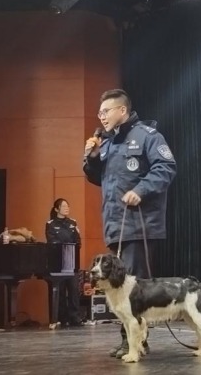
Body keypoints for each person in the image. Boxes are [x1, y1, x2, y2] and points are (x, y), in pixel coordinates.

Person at [83, 89, 177, 358]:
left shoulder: (148, 136)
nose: (101, 117)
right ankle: (133, 340)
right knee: (119, 287)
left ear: (122, 110)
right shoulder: (107, 143)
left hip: (140, 224)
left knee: (131, 288)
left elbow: (166, 168)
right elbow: (98, 178)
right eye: (99, 113)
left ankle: (134, 343)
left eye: (106, 111)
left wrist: (141, 190)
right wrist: (92, 157)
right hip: (115, 224)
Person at [45, 198, 83, 327]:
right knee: (60, 290)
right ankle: (62, 318)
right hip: (58, 261)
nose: (67, 208)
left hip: (72, 260)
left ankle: (75, 317)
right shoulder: (50, 224)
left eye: (68, 206)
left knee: (74, 289)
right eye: (64, 206)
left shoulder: (73, 223)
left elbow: (77, 240)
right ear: (57, 209)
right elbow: (51, 241)